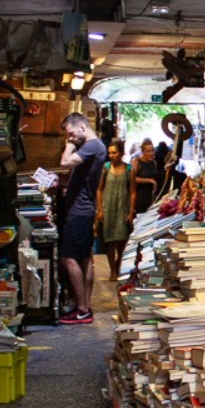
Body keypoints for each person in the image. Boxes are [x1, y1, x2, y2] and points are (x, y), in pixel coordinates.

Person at [58, 112, 106, 325]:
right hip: (84, 209)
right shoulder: (96, 147)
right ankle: (84, 306)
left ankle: (82, 309)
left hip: (79, 211)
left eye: (71, 133)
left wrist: (69, 145)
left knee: (68, 257)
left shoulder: (92, 146)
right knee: (85, 258)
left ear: (82, 128)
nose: (70, 138)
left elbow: (65, 162)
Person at [96, 139, 130, 281]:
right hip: (108, 207)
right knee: (110, 240)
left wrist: (131, 211)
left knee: (122, 240)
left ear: (121, 153)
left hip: (122, 206)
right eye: (109, 153)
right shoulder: (105, 168)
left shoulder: (129, 169)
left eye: (114, 153)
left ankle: (118, 264)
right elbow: (99, 190)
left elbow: (132, 191)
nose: (111, 155)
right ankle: (112, 270)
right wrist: (99, 209)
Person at [130, 139, 159, 222]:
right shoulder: (136, 162)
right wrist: (149, 181)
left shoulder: (153, 163)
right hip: (139, 196)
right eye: (148, 151)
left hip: (150, 196)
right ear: (143, 151)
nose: (151, 153)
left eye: (152, 151)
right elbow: (132, 178)